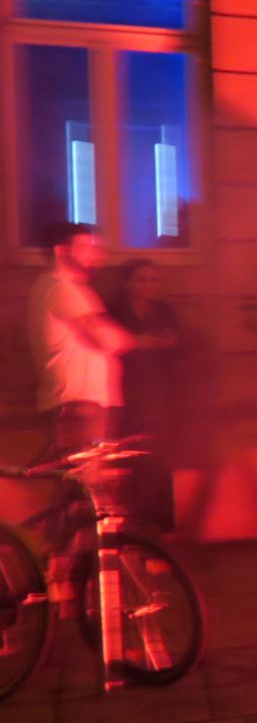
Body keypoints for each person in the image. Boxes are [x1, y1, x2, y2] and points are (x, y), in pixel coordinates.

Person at [25, 223, 134, 454]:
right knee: (82, 482)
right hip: (78, 404)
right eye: (83, 246)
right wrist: (123, 336)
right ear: (60, 251)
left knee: (87, 482)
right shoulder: (60, 288)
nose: (92, 253)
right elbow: (108, 340)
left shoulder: (69, 288)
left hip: (84, 404)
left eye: (94, 246)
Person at [103, 259, 183, 531]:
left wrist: (162, 342)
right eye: (141, 279)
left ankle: (160, 524)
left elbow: (177, 344)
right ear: (127, 282)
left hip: (160, 392)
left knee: (161, 457)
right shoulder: (113, 310)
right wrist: (141, 342)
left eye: (152, 279)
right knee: (128, 458)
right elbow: (111, 345)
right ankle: (129, 523)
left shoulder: (163, 310)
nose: (149, 285)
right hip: (126, 392)